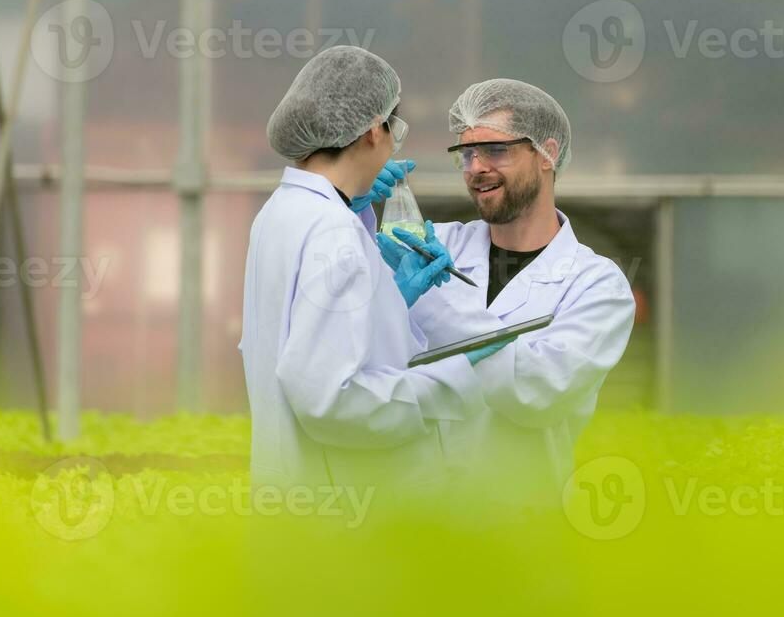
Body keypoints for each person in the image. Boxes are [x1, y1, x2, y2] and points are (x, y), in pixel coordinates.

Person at [377, 79, 635, 508]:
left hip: (520, 524)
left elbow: (536, 391)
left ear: (547, 153)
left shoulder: (596, 285)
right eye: (466, 154)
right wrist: (348, 208)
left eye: (496, 151)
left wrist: (433, 299)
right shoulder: (433, 245)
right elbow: (344, 323)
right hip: (406, 516)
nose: (476, 167)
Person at [239, 46, 478, 494]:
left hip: (296, 491)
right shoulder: (333, 230)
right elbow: (329, 398)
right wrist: (449, 378)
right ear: (372, 131)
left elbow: (303, 333)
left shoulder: (281, 211)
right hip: (348, 510)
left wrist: (389, 298)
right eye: (394, 127)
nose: (394, 142)